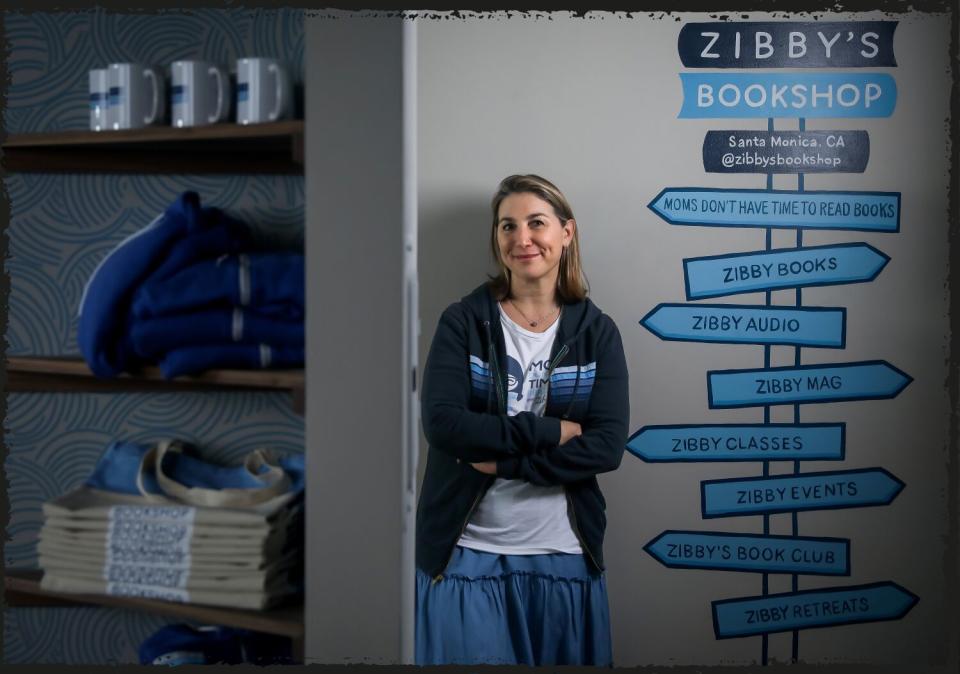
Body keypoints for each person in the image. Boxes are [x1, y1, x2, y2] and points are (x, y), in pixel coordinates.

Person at [415, 174, 630, 666]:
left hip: (564, 555)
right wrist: (550, 431)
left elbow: (606, 446)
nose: (521, 238)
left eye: (536, 223)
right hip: (465, 552)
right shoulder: (464, 323)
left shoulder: (597, 333)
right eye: (507, 226)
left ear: (566, 233)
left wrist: (508, 465)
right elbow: (444, 425)